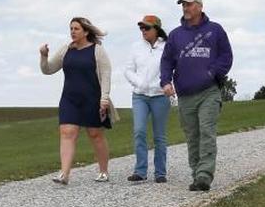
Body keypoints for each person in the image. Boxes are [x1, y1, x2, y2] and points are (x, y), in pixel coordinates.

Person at [160, 0, 233, 192]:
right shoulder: (175, 35)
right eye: (183, 5)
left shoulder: (215, 30)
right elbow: (166, 61)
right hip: (185, 95)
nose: (185, 8)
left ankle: (204, 175)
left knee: (207, 131)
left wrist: (212, 72)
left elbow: (226, 56)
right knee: (193, 136)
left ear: (200, 6)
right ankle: (196, 174)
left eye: (189, 4)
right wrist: (166, 81)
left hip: (209, 91)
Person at [39, 17, 116, 185]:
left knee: (95, 135)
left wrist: (104, 99)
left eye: (76, 29)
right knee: (67, 133)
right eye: (71, 28)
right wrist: (44, 57)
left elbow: (105, 75)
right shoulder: (66, 50)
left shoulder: (97, 50)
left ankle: (103, 171)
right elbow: (48, 69)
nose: (72, 32)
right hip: (69, 99)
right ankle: (64, 174)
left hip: (92, 99)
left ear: (86, 31)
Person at [124, 14, 170, 183]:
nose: (143, 31)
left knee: (159, 136)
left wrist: (168, 85)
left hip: (160, 96)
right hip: (140, 96)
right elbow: (128, 70)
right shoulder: (136, 47)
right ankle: (140, 171)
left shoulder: (167, 47)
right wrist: (140, 83)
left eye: (147, 28)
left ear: (156, 29)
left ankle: (160, 173)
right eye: (141, 28)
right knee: (139, 131)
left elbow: (173, 68)